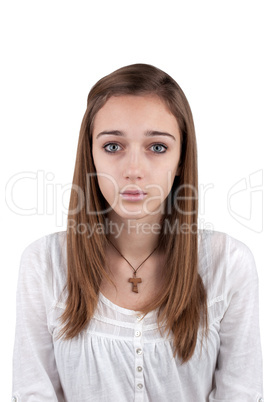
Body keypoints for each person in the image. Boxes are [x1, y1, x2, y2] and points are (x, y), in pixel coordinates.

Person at [12, 63, 263, 402]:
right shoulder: (43, 263)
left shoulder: (229, 264)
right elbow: (33, 393)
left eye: (157, 147)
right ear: (91, 156)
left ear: (180, 159)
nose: (133, 170)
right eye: (113, 146)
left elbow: (241, 394)